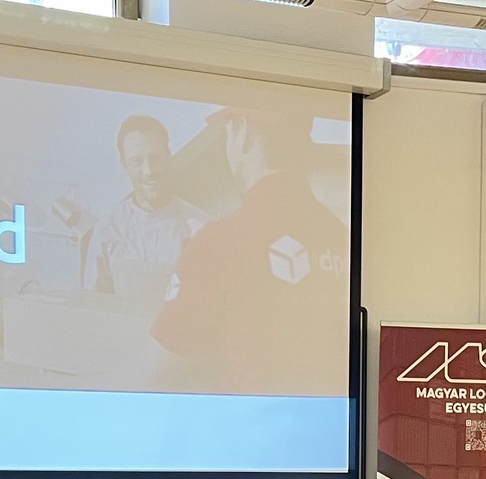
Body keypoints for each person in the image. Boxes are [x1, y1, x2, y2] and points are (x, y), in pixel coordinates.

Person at [152, 110, 348, 388]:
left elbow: (157, 373)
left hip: (247, 415)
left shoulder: (222, 240)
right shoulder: (337, 234)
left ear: (242, 131)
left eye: (227, 133)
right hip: (334, 414)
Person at [90, 115, 205, 301]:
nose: (148, 171)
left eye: (155, 159)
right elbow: (91, 303)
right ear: (124, 164)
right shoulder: (108, 229)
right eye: (137, 161)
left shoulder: (201, 228)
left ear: (168, 157)